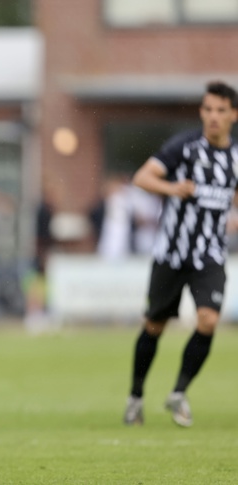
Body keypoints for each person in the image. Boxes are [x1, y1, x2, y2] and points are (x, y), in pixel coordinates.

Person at [123, 81, 238, 428]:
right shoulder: (184, 147)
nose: (213, 116)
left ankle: (179, 392)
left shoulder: (235, 158)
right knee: (154, 325)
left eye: (220, 110)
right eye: (208, 109)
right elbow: (142, 177)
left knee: (208, 321)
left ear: (233, 115)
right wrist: (172, 187)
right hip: (171, 255)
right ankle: (135, 397)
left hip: (210, 256)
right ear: (201, 112)